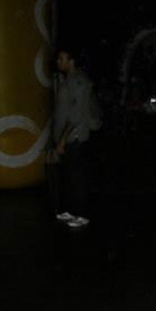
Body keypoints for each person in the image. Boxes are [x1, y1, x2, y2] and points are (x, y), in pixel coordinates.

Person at [50, 47, 95, 230]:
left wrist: (62, 140)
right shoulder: (67, 80)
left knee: (77, 177)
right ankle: (69, 209)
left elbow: (75, 115)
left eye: (62, 58)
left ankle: (82, 214)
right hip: (67, 137)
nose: (58, 62)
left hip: (75, 137)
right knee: (68, 176)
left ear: (71, 60)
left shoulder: (78, 82)